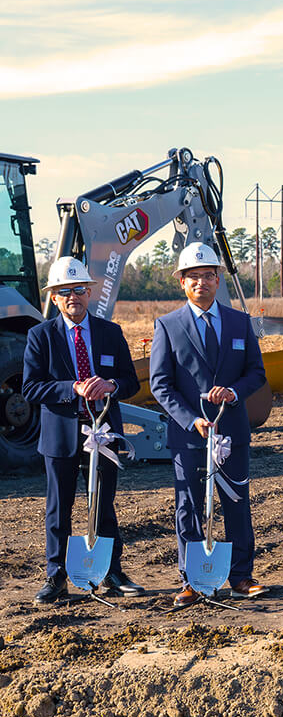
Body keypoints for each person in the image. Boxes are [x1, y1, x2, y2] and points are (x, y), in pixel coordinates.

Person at [149, 242, 268, 607]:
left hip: (232, 431)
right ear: (182, 282)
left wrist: (234, 392)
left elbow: (256, 372)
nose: (201, 282)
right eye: (193, 277)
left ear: (218, 280)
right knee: (189, 506)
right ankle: (192, 578)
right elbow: (160, 384)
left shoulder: (239, 322)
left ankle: (241, 576)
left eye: (207, 275)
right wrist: (191, 419)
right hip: (190, 435)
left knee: (236, 502)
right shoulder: (167, 326)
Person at [22, 257, 143, 603]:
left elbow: (130, 381)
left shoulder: (110, 333)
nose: (72, 296)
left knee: (103, 504)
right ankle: (56, 576)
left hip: (103, 431)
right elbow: (31, 388)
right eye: (64, 291)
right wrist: (72, 388)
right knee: (58, 508)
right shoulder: (40, 336)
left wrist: (111, 386)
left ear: (89, 292)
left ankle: (111, 572)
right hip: (61, 434)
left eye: (78, 289)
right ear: (54, 297)